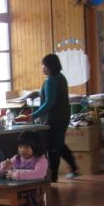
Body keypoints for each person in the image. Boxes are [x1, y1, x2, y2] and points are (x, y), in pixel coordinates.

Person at [16, 53, 79, 181]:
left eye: (44, 66)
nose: (42, 68)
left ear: (51, 67)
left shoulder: (51, 81)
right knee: (59, 144)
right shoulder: (60, 77)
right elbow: (50, 94)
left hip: (54, 119)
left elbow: (50, 102)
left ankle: (53, 177)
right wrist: (36, 94)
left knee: (53, 147)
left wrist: (33, 115)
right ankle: (73, 167)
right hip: (63, 117)